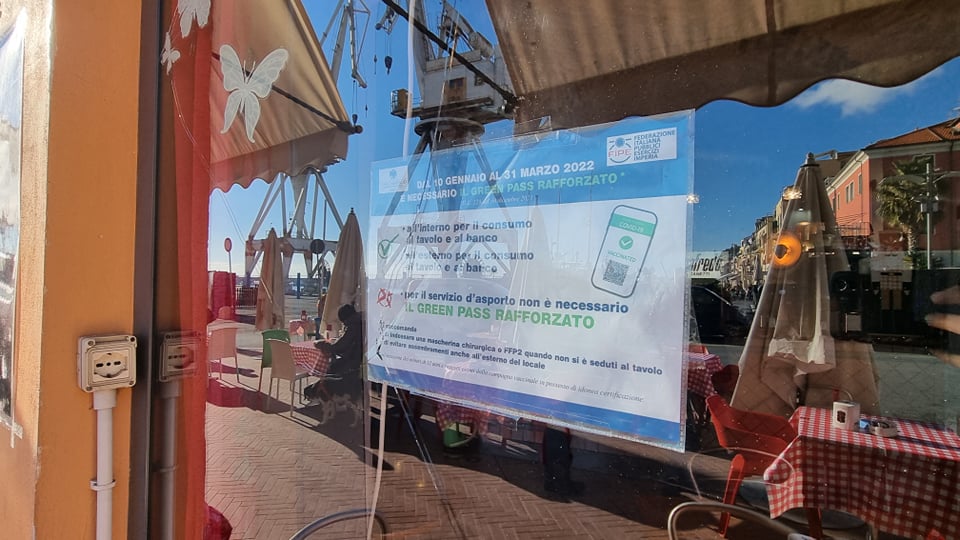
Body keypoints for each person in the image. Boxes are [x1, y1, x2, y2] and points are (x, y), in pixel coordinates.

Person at [304, 303, 363, 401]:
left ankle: (328, 395)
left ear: (345, 319)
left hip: (352, 361)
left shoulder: (353, 326)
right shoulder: (359, 322)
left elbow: (338, 346)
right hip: (358, 358)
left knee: (330, 369)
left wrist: (321, 344)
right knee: (332, 366)